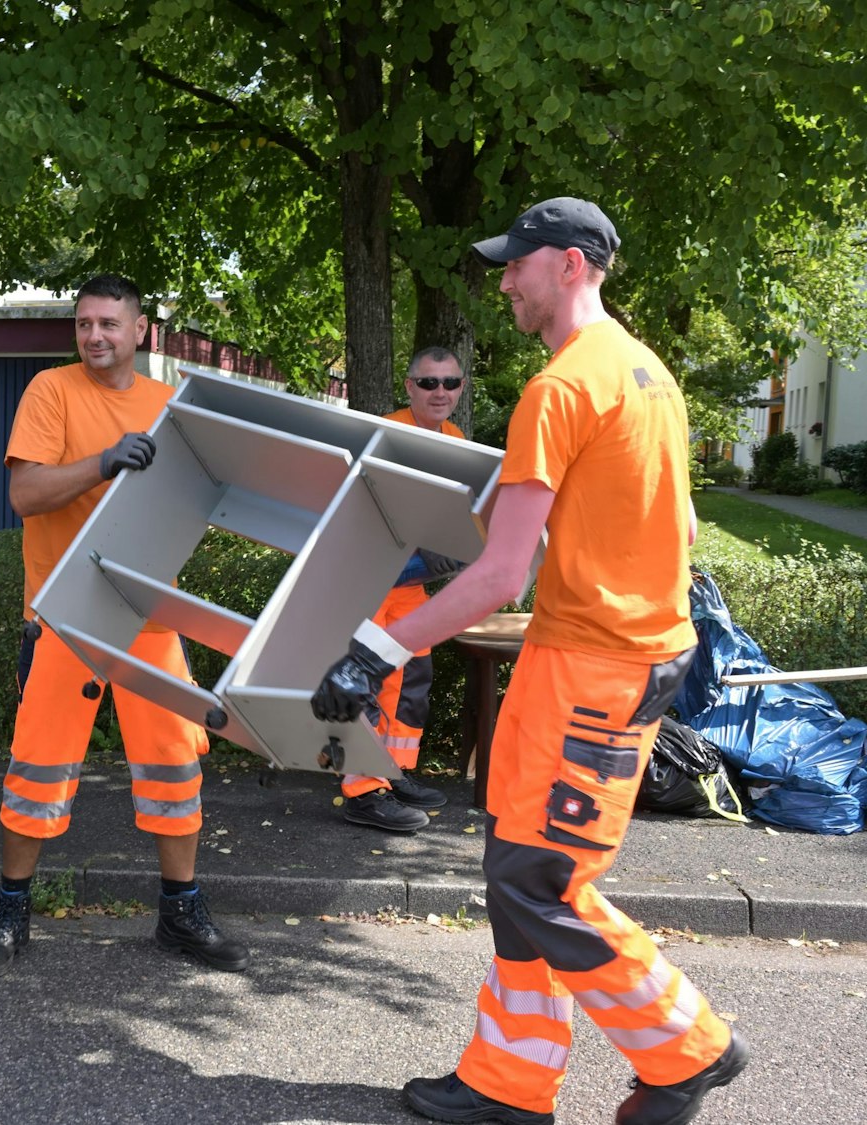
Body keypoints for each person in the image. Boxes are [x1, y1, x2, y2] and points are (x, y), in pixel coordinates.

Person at [311, 199, 744, 1125]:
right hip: (604, 657)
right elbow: (678, 528)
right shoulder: (647, 374)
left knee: (540, 882)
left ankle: (690, 1048)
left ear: (571, 265)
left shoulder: (560, 389)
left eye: (518, 263)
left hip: (593, 669)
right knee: (517, 864)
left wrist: (374, 649)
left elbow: (503, 574)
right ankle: (510, 1081)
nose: (504, 280)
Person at [0, 273, 249, 980]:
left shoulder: (167, 405)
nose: (94, 335)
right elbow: (24, 494)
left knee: (175, 767)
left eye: (108, 324)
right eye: (84, 323)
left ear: (140, 330)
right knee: (36, 770)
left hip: (149, 613)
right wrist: (103, 462)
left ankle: (180, 912)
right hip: (65, 615)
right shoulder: (51, 391)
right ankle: (10, 913)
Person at [339, 348, 466, 832]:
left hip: (411, 583)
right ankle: (363, 792)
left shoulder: (456, 439)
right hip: (372, 578)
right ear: (410, 387)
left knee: (411, 679)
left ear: (461, 388)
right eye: (429, 382)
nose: (440, 392)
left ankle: (394, 773)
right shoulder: (387, 435)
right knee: (367, 685)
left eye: (450, 382)